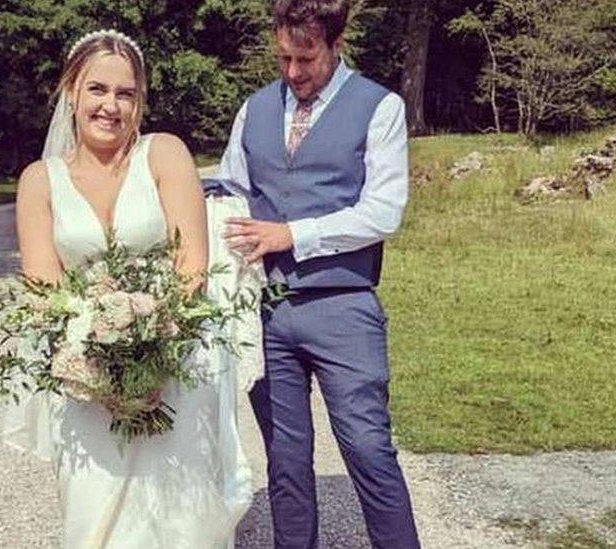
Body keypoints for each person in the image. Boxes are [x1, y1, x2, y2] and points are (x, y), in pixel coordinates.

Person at [6, 30, 259, 548]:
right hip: (86, 381)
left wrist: (156, 359)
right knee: (94, 519)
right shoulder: (39, 180)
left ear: (139, 100)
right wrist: (102, 370)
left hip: (175, 370)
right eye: (97, 89)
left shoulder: (163, 155)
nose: (111, 106)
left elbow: (192, 265)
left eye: (126, 93)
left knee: (180, 522)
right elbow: (43, 289)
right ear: (71, 91)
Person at [213, 0, 421, 547]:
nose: (293, 72)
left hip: (343, 307)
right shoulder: (253, 109)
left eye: (306, 59)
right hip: (264, 310)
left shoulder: (381, 108)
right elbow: (232, 187)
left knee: (369, 451)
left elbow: (383, 211)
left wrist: (293, 234)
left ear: (336, 45)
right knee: (285, 462)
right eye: (283, 58)